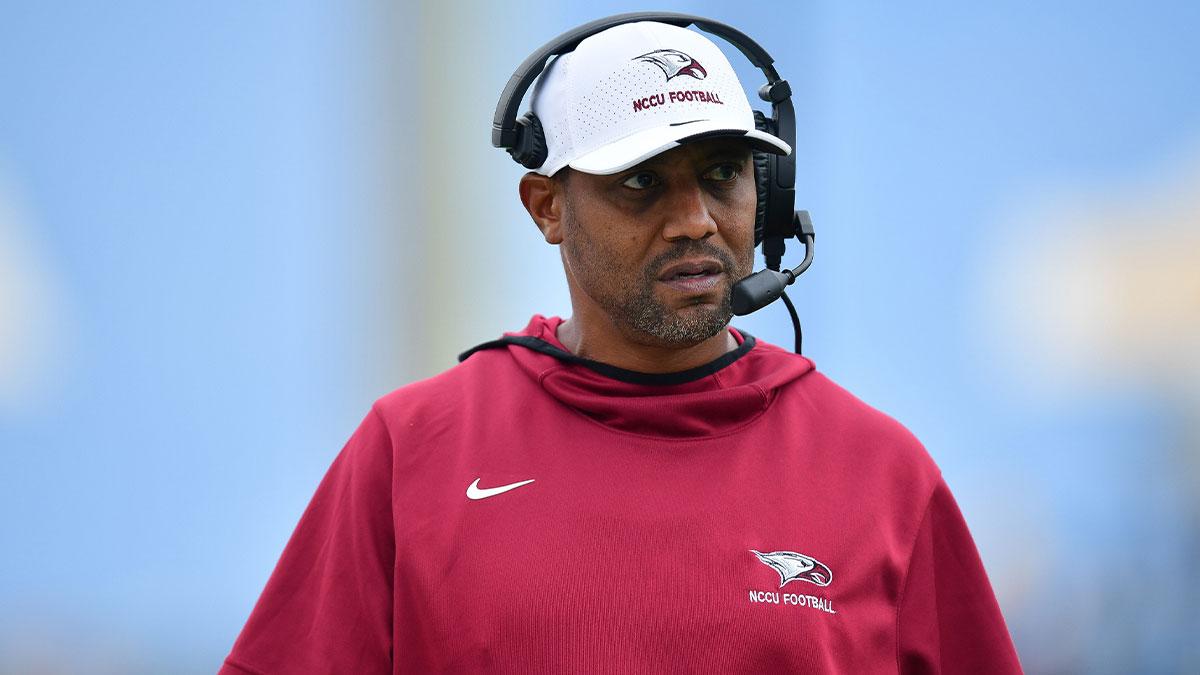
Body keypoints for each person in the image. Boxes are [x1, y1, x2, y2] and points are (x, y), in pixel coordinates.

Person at [219, 16, 1023, 674]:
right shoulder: (412, 450)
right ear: (546, 207)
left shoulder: (881, 472)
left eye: (722, 174)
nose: (694, 220)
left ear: (768, 194)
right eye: (642, 181)